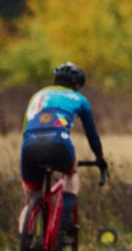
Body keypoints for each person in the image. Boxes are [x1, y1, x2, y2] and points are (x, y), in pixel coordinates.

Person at [19, 62, 107, 235]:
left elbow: (25, 128)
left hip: (29, 145)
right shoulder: (79, 99)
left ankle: (24, 242)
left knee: (30, 200)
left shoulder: (38, 95)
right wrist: (100, 157)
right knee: (71, 174)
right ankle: (66, 217)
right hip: (58, 142)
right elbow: (91, 133)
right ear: (77, 85)